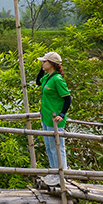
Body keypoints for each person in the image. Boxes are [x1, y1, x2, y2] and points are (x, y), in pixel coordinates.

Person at [36, 51, 71, 186]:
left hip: (55, 118)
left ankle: (62, 172)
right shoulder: (48, 77)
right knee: (49, 146)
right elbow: (38, 81)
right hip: (45, 116)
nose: (42, 64)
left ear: (52, 64)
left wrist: (62, 114)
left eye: (45, 61)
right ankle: (54, 171)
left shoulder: (57, 79)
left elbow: (67, 98)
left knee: (58, 146)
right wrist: (42, 69)